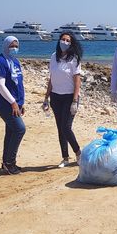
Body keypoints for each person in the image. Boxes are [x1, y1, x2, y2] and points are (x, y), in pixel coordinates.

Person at [43, 32, 83, 168]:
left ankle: (78, 153)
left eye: (67, 40)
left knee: (66, 127)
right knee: (60, 128)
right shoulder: (54, 57)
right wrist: (46, 97)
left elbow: (77, 80)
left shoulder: (74, 59)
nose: (64, 42)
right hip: (55, 97)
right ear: (59, 41)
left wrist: (75, 100)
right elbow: (51, 78)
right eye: (63, 39)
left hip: (69, 97)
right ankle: (65, 158)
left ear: (71, 44)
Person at [0, 36, 26, 175]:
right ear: (6, 46)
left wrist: (21, 102)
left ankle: (6, 162)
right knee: (20, 129)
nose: (14, 48)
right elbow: (0, 85)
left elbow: (19, 83)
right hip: (5, 104)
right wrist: (12, 102)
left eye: (16, 46)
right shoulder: (0, 61)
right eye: (12, 46)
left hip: (15, 103)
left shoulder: (15, 61)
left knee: (11, 131)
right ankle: (10, 162)